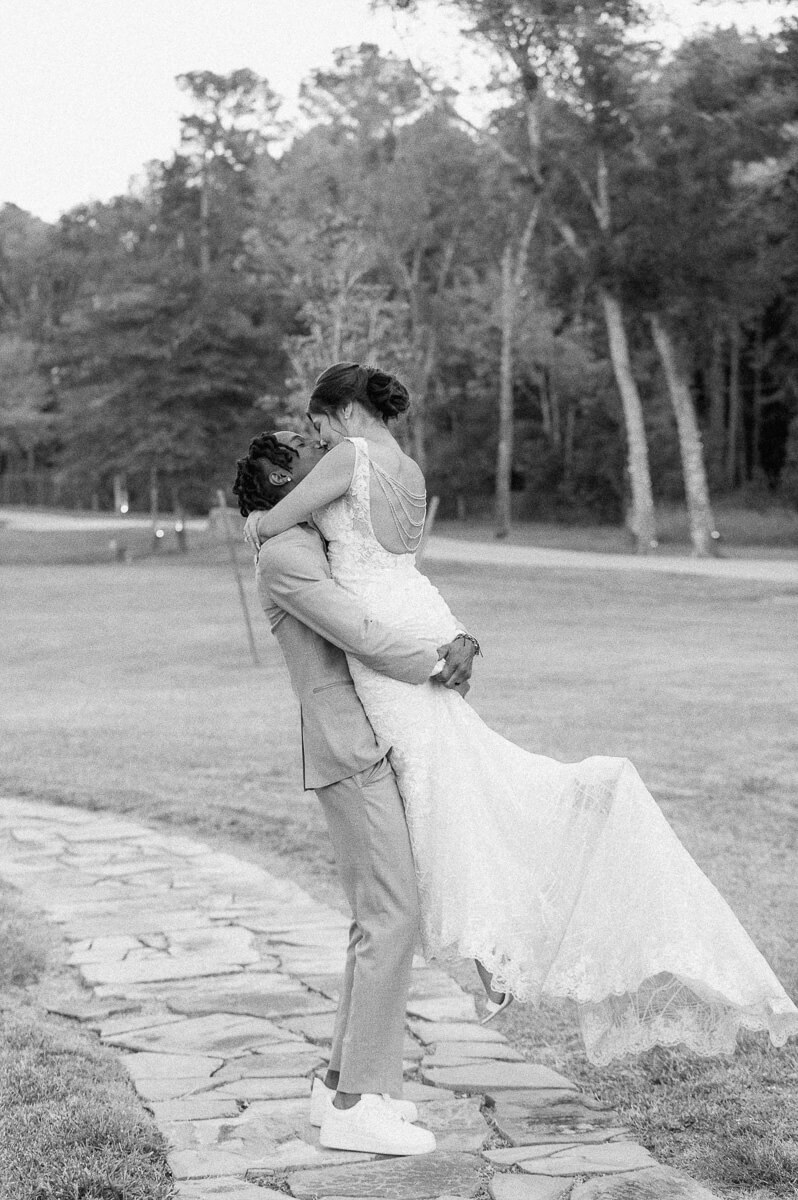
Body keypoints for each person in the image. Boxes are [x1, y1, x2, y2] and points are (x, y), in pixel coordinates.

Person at [240, 362, 798, 1067]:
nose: (315, 440)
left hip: (392, 644)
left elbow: (275, 520)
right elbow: (398, 563)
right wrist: (456, 639)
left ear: (345, 411)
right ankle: (490, 955)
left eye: (317, 424)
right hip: (422, 617)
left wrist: (256, 516)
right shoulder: (406, 466)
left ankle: (489, 956)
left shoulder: (349, 455)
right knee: (453, 785)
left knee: (433, 795)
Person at [233, 429, 478, 1155]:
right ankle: (354, 1105)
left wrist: (452, 635)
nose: (326, 447)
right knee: (393, 915)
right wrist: (437, 662)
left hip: (369, 740)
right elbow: (360, 631)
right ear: (282, 478)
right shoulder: (285, 556)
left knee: (378, 915)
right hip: (349, 751)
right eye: (304, 446)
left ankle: (339, 1078)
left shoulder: (310, 539)